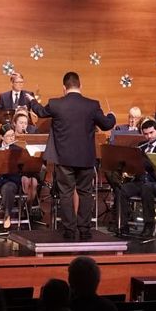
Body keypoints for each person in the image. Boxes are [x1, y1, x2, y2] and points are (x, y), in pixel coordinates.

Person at [28, 71, 116, 240]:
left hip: (64, 158)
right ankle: (84, 230)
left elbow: (40, 111)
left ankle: (69, 230)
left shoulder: (56, 104)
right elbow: (106, 125)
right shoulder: (92, 105)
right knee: (85, 193)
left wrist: (32, 100)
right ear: (80, 86)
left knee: (66, 194)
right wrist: (111, 116)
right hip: (85, 159)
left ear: (64, 88)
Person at [114, 118, 156, 237]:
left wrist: (140, 159)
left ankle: (148, 225)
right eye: (146, 134)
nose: (149, 136)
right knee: (121, 189)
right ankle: (123, 225)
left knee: (147, 188)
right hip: (141, 181)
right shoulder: (141, 146)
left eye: (151, 133)